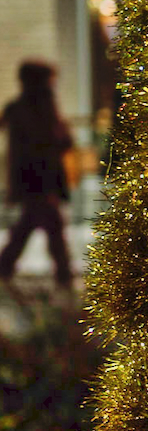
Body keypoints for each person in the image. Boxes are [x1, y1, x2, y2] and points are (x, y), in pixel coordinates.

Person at [0, 61, 74, 288]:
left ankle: (6, 267)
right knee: (49, 226)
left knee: (32, 225)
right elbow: (53, 143)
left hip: (34, 178)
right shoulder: (38, 108)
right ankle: (63, 275)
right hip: (40, 178)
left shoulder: (22, 108)